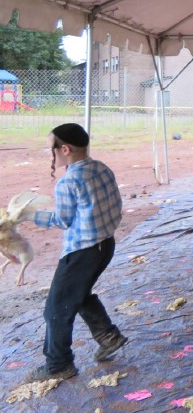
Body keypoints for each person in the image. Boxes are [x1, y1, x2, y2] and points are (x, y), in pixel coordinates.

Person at [23, 123, 127, 382]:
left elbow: (62, 220)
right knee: (77, 294)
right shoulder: (101, 168)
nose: (50, 152)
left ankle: (59, 365)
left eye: (51, 147)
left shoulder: (69, 182)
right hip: (105, 245)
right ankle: (108, 336)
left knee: (56, 309)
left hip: (82, 251)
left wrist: (29, 216)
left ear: (65, 149)